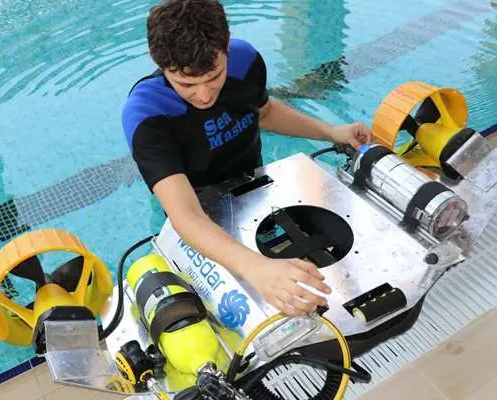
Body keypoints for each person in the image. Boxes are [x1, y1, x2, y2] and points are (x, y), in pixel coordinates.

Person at [122, 0, 371, 317]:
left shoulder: (245, 60)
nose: (204, 95)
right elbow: (185, 215)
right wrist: (257, 269)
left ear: (226, 47)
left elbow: (264, 113)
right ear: (160, 64)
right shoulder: (146, 113)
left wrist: (332, 132)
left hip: (254, 187)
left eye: (214, 76)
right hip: (195, 208)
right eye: (186, 84)